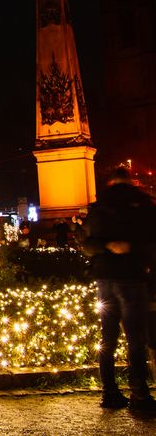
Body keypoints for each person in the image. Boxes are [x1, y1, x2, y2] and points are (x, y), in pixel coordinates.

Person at [83, 166, 156, 412]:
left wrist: (106, 245)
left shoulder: (98, 207)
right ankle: (139, 395)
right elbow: (151, 242)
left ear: (110, 182)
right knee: (136, 339)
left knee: (108, 339)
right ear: (129, 181)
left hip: (104, 278)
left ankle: (110, 393)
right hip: (132, 276)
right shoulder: (142, 205)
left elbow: (88, 245)